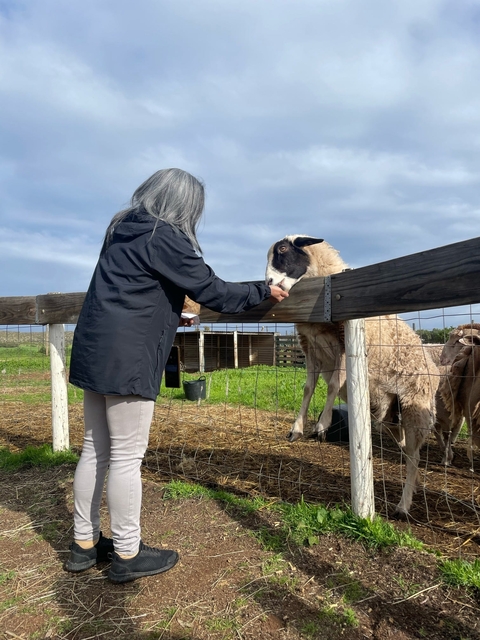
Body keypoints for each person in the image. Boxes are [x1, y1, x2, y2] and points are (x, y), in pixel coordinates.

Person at [64, 168, 288, 583]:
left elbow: (131, 292)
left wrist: (171, 316)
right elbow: (212, 290)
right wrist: (262, 291)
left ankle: (83, 546)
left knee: (94, 449)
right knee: (127, 456)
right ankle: (127, 553)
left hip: (96, 346)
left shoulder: (122, 230)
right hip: (127, 357)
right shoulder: (162, 236)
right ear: (184, 207)